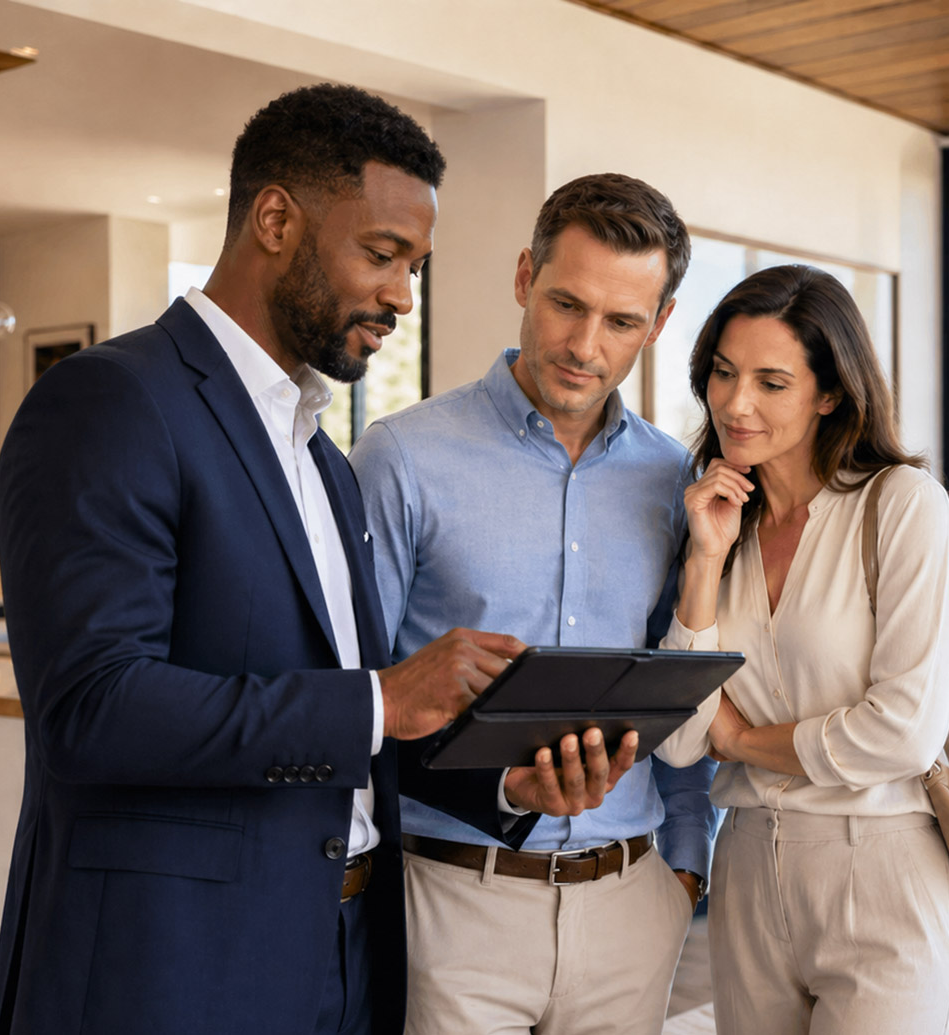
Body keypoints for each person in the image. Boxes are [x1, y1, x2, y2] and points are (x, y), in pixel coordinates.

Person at [0, 85, 635, 1035]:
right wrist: (382, 696)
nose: (401, 297)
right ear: (278, 219)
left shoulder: (322, 458)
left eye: (416, 266)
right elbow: (92, 707)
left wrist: (500, 784)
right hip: (172, 962)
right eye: (381, 255)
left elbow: (342, 739)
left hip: (342, 947)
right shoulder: (110, 401)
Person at [348, 172, 717, 1035]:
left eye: (622, 321)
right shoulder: (400, 459)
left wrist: (686, 870)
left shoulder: (675, 481)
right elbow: (354, 696)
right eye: (566, 304)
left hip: (633, 904)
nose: (585, 344)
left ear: (658, 326)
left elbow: (687, 678)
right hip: (452, 902)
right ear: (523, 278)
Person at [653, 265, 949, 1034]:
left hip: (883, 866)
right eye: (724, 374)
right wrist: (703, 561)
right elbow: (678, 739)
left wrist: (740, 738)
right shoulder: (716, 516)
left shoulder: (899, 504)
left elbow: (904, 732)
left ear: (828, 392)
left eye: (771, 381)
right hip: (749, 869)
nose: (736, 403)